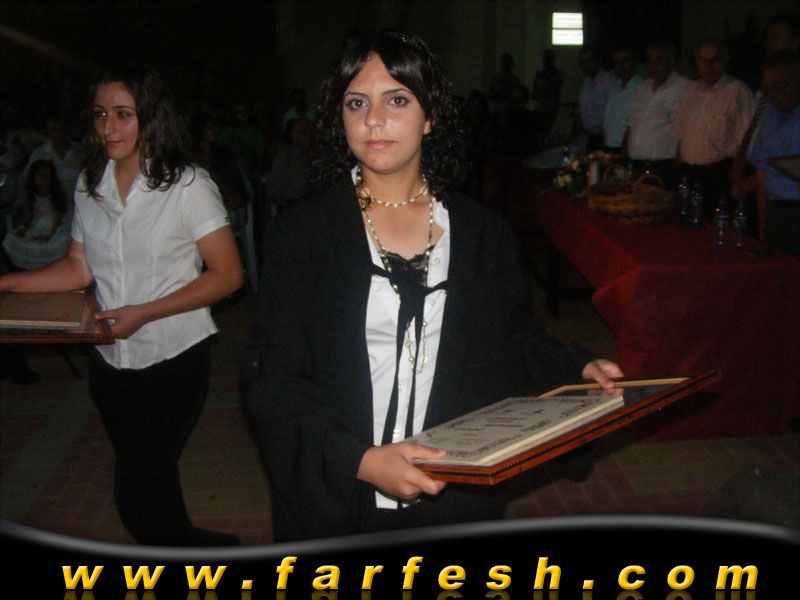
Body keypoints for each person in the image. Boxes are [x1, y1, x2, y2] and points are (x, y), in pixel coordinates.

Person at [241, 30, 623, 543]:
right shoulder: (302, 235)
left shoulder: (482, 235)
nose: (373, 119)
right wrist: (360, 460)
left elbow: (513, 339)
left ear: (431, 116)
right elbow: (274, 377)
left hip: (451, 492)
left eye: (396, 100)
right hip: (340, 497)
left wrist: (575, 372)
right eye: (357, 103)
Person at [0, 62, 244, 546]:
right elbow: (78, 268)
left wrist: (146, 312)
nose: (108, 127)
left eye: (122, 114)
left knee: (141, 474)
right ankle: (184, 538)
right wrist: (6, 282)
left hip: (173, 355)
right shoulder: (91, 183)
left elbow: (228, 274)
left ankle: (181, 544)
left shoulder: (187, 185)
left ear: (151, 117)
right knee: (148, 466)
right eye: (99, 114)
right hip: (109, 358)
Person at [674, 39, 754, 210]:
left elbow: (747, 140)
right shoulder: (691, 91)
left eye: (714, 60)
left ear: (725, 59)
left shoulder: (737, 91)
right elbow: (681, 132)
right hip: (689, 174)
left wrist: (737, 175)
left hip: (719, 175)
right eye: (703, 60)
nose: (708, 66)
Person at [746, 51, 800, 257]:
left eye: (780, 86)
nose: (772, 94)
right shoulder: (768, 113)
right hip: (776, 212)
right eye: (767, 88)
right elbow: (763, 172)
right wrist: (763, 226)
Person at [623, 41, 691, 187]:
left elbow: (687, 130)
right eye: (649, 61)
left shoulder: (684, 88)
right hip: (637, 166)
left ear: (671, 62)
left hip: (665, 168)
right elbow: (631, 125)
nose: (653, 66)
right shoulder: (641, 88)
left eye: (659, 60)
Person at [3, 159, 72, 270]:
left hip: (54, 227)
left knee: (55, 244)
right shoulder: (30, 195)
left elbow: (57, 219)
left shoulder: (55, 196)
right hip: (37, 225)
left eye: (49, 177)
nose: (46, 181)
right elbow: (28, 216)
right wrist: (23, 228)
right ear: (33, 178)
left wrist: (51, 235)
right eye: (42, 177)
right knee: (12, 239)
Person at [603, 46, 644, 153]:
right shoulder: (614, 86)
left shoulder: (642, 88)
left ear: (634, 62)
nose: (621, 66)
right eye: (617, 62)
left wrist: (624, 152)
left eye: (625, 61)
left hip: (628, 150)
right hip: (609, 147)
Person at [572, 46, 614, 151]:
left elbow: (612, 114)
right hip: (588, 137)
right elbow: (582, 111)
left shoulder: (609, 81)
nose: (585, 65)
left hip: (605, 137)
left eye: (590, 61)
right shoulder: (586, 83)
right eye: (582, 62)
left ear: (599, 61)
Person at [531, 49, 565, 139]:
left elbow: (555, 91)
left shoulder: (558, 74)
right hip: (540, 109)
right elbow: (533, 94)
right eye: (545, 58)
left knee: (548, 133)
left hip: (551, 109)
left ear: (553, 59)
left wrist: (543, 89)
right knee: (539, 134)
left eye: (548, 58)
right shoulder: (539, 74)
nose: (546, 60)